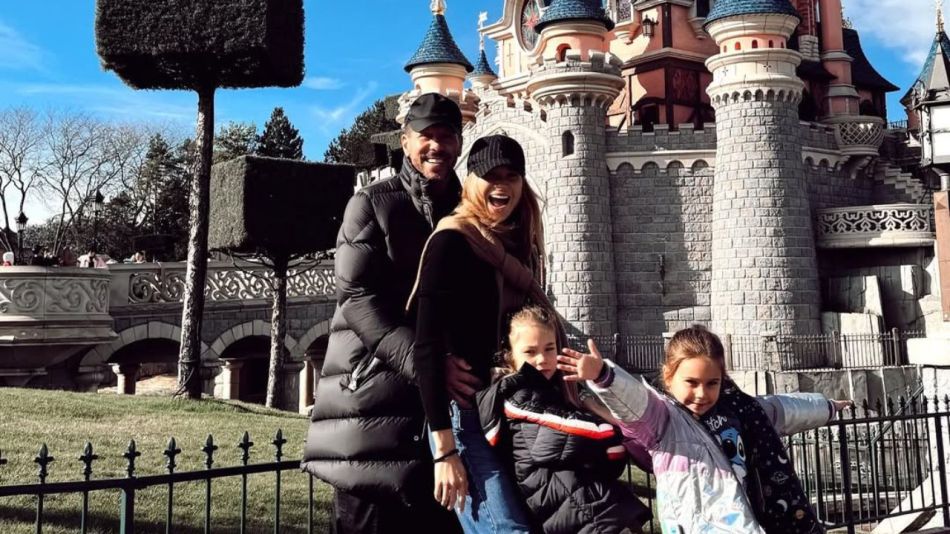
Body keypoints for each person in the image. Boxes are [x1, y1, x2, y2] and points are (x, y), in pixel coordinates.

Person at [301, 93, 464, 534]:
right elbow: (357, 299)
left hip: (440, 414)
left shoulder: (467, 210)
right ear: (406, 142)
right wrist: (429, 368)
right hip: (374, 405)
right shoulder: (372, 203)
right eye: (426, 136)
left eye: (447, 136)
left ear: (460, 143)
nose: (437, 146)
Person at [558, 325, 853, 534]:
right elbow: (636, 402)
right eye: (692, 383)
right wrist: (603, 375)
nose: (702, 394)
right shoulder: (663, 420)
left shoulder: (740, 411)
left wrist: (828, 406)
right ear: (669, 378)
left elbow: (783, 410)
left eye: (712, 383)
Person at [410, 135, 548, 533]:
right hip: (466, 415)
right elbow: (426, 348)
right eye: (490, 175)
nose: (501, 185)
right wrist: (445, 452)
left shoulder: (518, 246)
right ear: (470, 181)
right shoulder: (451, 242)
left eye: (511, 176)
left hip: (511, 410)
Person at [476, 305, 651, 533]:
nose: (542, 359)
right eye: (530, 352)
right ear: (509, 355)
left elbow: (609, 458)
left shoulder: (552, 392)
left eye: (549, 349)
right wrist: (610, 427)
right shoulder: (517, 395)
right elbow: (579, 433)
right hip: (577, 511)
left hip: (585, 504)